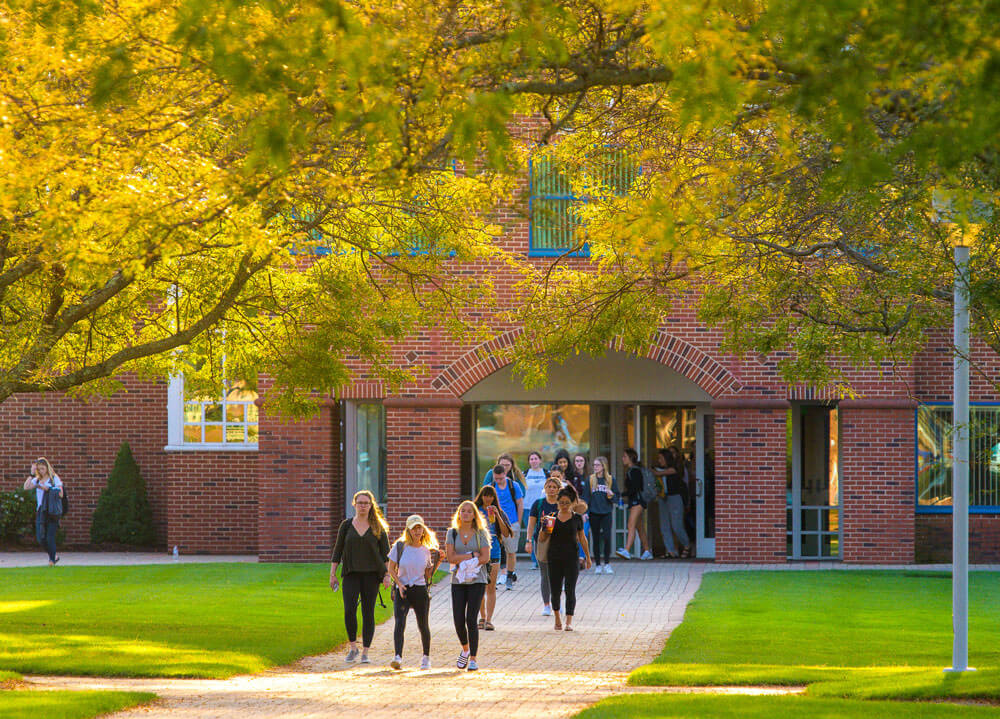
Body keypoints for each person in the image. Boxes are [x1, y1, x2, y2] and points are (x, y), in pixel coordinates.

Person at [330, 490, 391, 665]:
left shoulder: (378, 527)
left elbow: (386, 554)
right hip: (351, 574)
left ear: (371, 505)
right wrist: (333, 574)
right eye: (360, 503)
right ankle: (353, 648)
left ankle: (365, 652)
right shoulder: (346, 526)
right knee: (349, 610)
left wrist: (387, 575)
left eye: (366, 503)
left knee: (368, 612)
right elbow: (337, 550)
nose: (363, 506)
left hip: (372, 576)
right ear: (354, 504)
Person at [387, 514, 441, 670]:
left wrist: (438, 562)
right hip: (403, 589)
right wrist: (399, 584)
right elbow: (391, 569)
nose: (417, 531)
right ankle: (397, 656)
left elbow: (428, 575)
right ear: (408, 530)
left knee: (423, 624)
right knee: (400, 622)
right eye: (414, 528)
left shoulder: (425, 550)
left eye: (419, 528)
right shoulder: (399, 547)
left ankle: (426, 657)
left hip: (419, 589)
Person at [445, 500, 491, 671]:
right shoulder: (452, 533)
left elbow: (485, 557)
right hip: (458, 580)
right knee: (458, 619)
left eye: (469, 511)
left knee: (471, 619)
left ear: (474, 515)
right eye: (462, 511)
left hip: (477, 579)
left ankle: (473, 658)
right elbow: (450, 557)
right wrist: (471, 556)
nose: (465, 514)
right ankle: (465, 649)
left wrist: (463, 559)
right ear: (459, 514)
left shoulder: (481, 533)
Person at [539, 485, 592, 631]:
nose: (564, 506)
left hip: (572, 557)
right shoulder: (551, 518)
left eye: (567, 503)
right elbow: (543, 538)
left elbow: (582, 538)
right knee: (555, 590)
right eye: (561, 502)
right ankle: (557, 618)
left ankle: (568, 621)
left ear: (573, 503)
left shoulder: (577, 519)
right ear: (557, 502)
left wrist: (587, 557)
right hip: (554, 557)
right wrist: (544, 525)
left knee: (570, 589)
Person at [473, 484, 511, 631]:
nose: (488, 498)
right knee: (479, 586)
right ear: (481, 496)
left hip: (494, 551)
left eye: (491, 496)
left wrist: (497, 515)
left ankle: (489, 619)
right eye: (485, 495)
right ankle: (482, 617)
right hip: (478, 551)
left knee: (491, 586)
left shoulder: (499, 512)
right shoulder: (476, 511)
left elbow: (506, 534)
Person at [524, 473, 561, 616]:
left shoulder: (562, 503)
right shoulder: (538, 504)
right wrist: (528, 541)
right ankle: (546, 605)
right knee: (545, 574)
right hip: (542, 540)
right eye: (549, 487)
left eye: (554, 487)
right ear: (544, 488)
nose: (551, 489)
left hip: (559, 541)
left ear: (558, 489)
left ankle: (557, 602)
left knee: (558, 574)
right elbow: (531, 524)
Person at [485, 462, 523, 590]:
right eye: (496, 478)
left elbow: (520, 504)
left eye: (501, 478)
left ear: (505, 474)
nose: (499, 481)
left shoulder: (514, 486)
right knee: (493, 552)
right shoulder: (490, 487)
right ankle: (492, 579)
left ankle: (509, 577)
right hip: (494, 525)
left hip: (511, 523)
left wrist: (518, 521)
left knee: (511, 552)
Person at [23, 458, 62, 566]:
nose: (41, 471)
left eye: (43, 468)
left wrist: (48, 489)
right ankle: (54, 556)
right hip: (41, 510)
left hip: (52, 511)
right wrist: (31, 474)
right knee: (41, 538)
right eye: (39, 469)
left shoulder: (54, 478)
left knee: (50, 537)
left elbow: (61, 494)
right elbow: (26, 487)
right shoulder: (37, 479)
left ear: (47, 467)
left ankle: (52, 560)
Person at [654, 448, 691, 558]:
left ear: (666, 458)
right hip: (663, 498)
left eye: (661, 458)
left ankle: (687, 545)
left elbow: (661, 473)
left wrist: (654, 472)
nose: (659, 460)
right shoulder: (660, 469)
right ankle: (670, 551)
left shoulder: (675, 468)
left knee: (676, 525)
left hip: (675, 497)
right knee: (664, 525)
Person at [617, 448, 652, 560]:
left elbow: (635, 488)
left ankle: (627, 550)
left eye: (625, 457)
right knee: (639, 527)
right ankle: (647, 550)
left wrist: (623, 494)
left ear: (631, 458)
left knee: (630, 524)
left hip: (637, 501)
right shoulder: (631, 470)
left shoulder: (634, 471)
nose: (623, 459)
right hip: (635, 501)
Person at [588, 456, 616, 574]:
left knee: (607, 538)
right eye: (594, 465)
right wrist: (585, 512)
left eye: (597, 465)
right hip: (594, 512)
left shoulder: (610, 480)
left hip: (606, 512)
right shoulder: (590, 479)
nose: (595, 467)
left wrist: (611, 494)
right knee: (596, 538)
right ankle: (598, 564)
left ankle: (607, 563)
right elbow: (586, 497)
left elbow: (616, 497)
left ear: (603, 466)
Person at [522, 451, 549, 570]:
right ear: (529, 461)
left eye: (536, 458)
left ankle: (543, 558)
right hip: (528, 507)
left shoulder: (546, 473)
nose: (534, 461)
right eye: (531, 459)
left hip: (542, 507)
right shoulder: (525, 474)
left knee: (543, 533)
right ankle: (534, 560)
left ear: (540, 460)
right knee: (532, 533)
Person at [571, 453, 592, 568]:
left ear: (585, 462)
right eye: (577, 461)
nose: (579, 463)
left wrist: (584, 512)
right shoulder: (572, 477)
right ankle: (575, 558)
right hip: (573, 509)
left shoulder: (589, 477)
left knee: (583, 532)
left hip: (586, 509)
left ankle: (581, 558)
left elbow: (589, 495)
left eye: (581, 461)